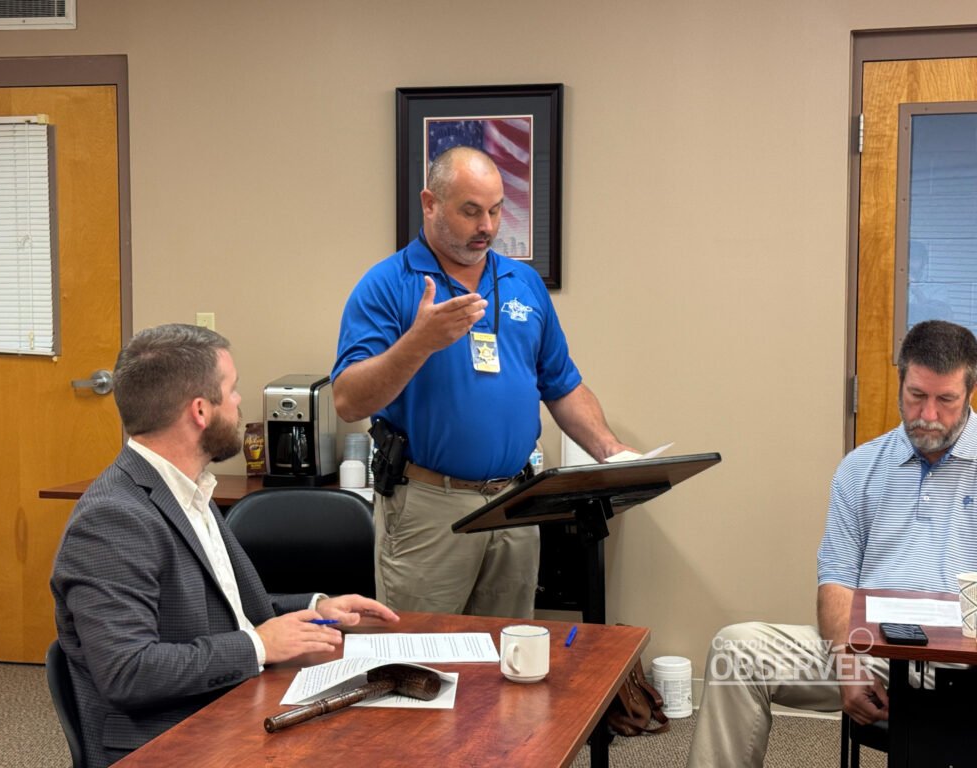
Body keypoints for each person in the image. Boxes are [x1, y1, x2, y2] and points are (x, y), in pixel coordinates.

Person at [51, 324, 398, 768]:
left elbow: (223, 610)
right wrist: (258, 646)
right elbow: (127, 672)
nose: (238, 403)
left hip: (226, 705)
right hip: (167, 740)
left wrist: (316, 607)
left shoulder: (187, 489)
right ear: (200, 410)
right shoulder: (113, 520)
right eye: (232, 391)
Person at [331, 145, 635, 619]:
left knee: (506, 654)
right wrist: (419, 343)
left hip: (514, 503)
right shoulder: (388, 284)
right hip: (429, 508)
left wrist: (612, 454)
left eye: (495, 210)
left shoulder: (522, 282)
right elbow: (349, 400)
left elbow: (562, 384)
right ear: (430, 204)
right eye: (471, 211)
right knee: (421, 652)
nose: (488, 226)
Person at [686, 319, 977, 767]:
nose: (928, 414)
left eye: (946, 400)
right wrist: (847, 664)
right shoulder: (860, 468)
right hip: (872, 653)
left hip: (966, 662)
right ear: (900, 384)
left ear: (969, 393)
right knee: (736, 651)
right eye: (916, 395)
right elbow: (837, 581)